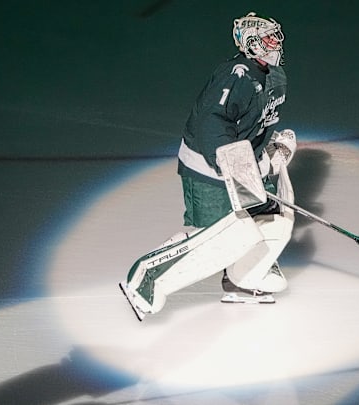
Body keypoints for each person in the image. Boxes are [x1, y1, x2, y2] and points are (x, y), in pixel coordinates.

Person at [120, 11, 297, 320]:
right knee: (220, 237)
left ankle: (244, 278)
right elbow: (212, 124)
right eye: (267, 38)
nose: (275, 43)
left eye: (275, 36)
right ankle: (146, 280)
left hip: (244, 164)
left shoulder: (275, 77)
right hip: (209, 169)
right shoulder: (236, 76)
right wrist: (234, 165)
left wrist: (269, 153)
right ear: (251, 45)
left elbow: (255, 126)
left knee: (275, 219)